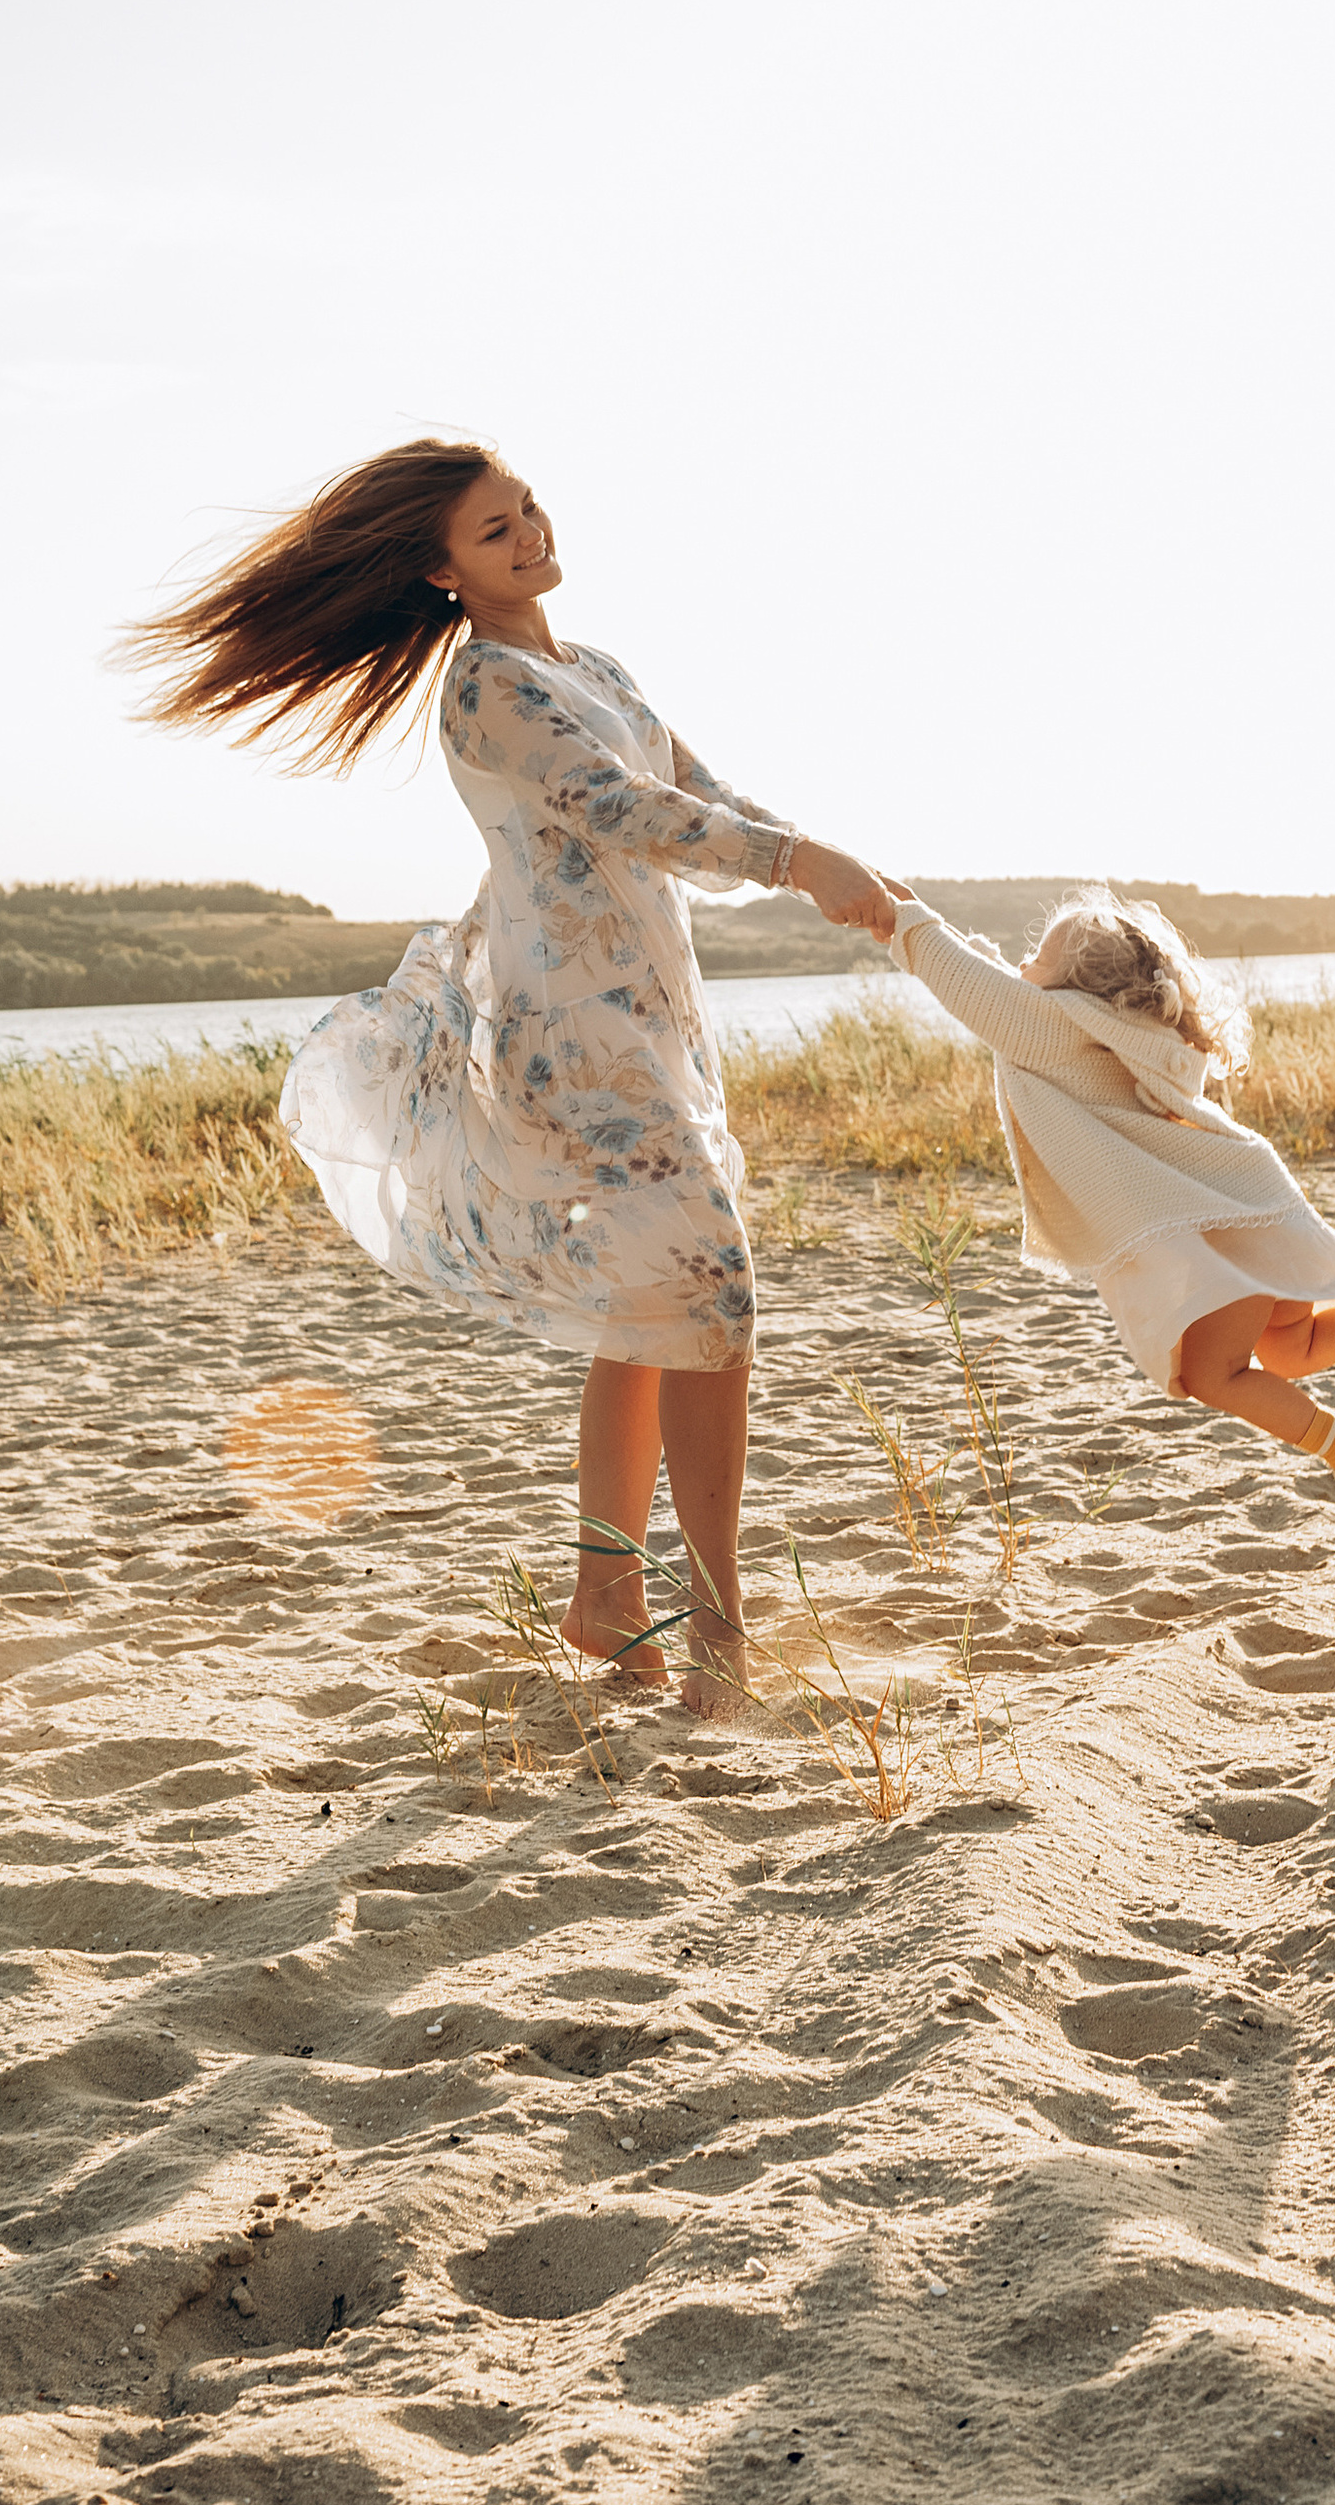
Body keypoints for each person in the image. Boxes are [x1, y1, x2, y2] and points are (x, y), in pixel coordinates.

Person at [125, 439, 892, 1707]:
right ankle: (718, 1631)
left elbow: (695, 794)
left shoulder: (593, 666)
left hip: (653, 1014)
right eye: (496, 531)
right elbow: (617, 806)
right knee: (713, 1298)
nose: (530, 533)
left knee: (656, 1310)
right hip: (571, 1034)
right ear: (441, 571)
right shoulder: (484, 688)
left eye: (527, 508)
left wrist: (836, 868)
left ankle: (606, 1597)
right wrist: (800, 861)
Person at [875, 879, 1335, 1526]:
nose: (1023, 962)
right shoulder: (1114, 1029)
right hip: (1243, 1195)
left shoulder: (1048, 1027)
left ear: (1070, 990)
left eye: (1038, 954)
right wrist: (910, 912)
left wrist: (897, 919)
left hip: (1216, 1218)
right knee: (1290, 1344)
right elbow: (995, 980)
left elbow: (968, 982)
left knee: (1215, 1374)